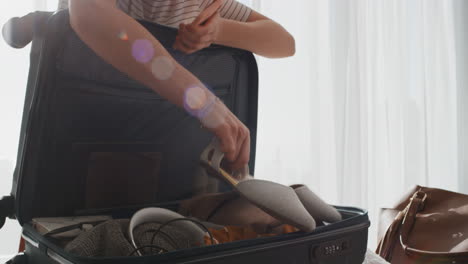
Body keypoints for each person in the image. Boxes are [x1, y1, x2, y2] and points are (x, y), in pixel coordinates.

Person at [65, 0, 295, 171]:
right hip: (92, 144)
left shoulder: (200, 4)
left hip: (171, 162)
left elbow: (285, 43)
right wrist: (202, 101)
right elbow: (88, 12)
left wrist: (219, 30)